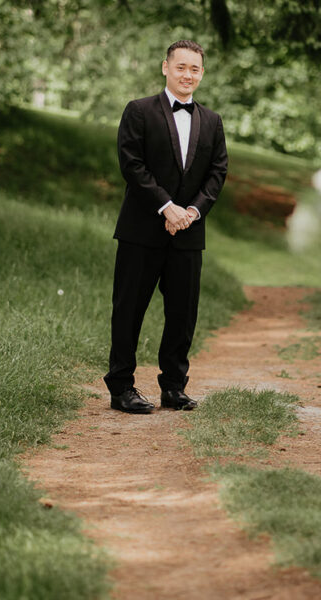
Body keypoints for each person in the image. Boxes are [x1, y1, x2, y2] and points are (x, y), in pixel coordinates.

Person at [104, 39, 228, 414]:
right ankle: (121, 388)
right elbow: (132, 164)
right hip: (142, 231)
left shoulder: (212, 121)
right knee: (129, 310)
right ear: (165, 67)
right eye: (181, 67)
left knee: (182, 314)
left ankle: (174, 387)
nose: (187, 74)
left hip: (189, 233)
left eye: (195, 69)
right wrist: (166, 207)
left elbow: (217, 172)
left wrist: (192, 211)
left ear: (201, 74)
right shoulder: (139, 111)